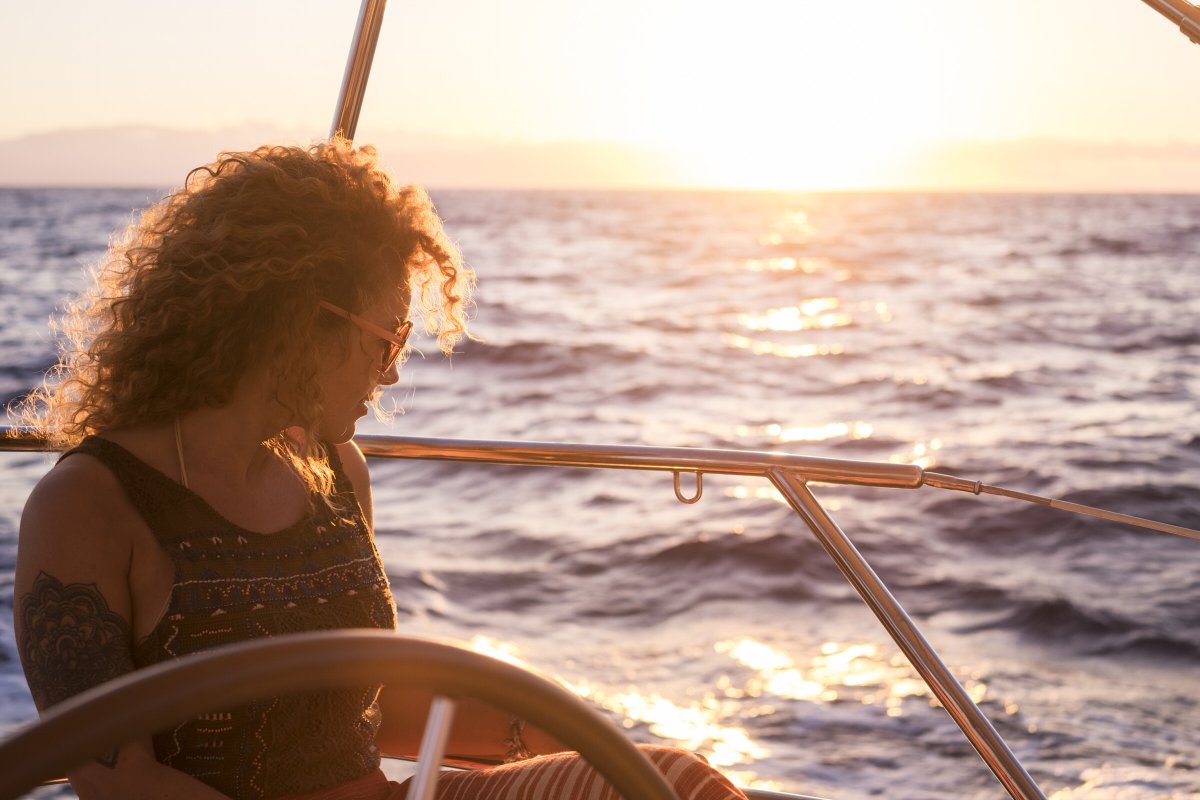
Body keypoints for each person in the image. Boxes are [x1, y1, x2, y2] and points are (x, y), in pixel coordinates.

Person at [12, 139, 749, 800]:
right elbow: (115, 779)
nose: (391, 373)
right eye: (387, 339)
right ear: (301, 321)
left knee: (677, 784)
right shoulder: (88, 503)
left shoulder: (334, 469)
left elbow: (364, 703)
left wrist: (544, 733)